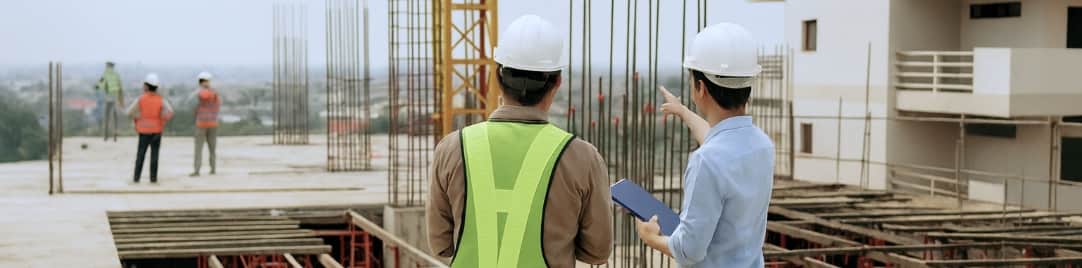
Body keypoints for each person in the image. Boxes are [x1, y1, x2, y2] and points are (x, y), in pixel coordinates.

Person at [427, 14, 612, 268]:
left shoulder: (451, 148)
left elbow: (440, 244)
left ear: (497, 76)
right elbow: (597, 251)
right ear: (557, 81)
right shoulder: (582, 157)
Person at [634, 22, 775, 268]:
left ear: (700, 87)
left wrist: (651, 237)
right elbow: (721, 140)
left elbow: (690, 250)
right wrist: (684, 112)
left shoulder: (706, 161)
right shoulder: (762, 145)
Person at [126, 73, 174, 184]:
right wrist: (162, 120)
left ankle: (136, 178)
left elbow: (129, 112)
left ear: (146, 86)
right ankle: (153, 179)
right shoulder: (161, 100)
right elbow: (170, 111)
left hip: (143, 131)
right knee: (154, 156)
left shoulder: (141, 99)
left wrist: (137, 119)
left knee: (141, 155)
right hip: (157, 131)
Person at [189, 71, 220, 177]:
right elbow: (218, 105)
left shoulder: (197, 93)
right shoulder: (215, 93)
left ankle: (197, 170)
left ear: (199, 81)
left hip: (201, 123)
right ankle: (213, 169)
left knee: (198, 149)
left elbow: (192, 105)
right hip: (213, 123)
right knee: (212, 148)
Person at [96, 61, 125, 142]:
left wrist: (96, 87)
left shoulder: (105, 74)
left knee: (107, 116)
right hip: (115, 98)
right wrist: (121, 100)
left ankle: (106, 135)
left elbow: (100, 84)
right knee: (115, 117)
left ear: (107, 66)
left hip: (108, 98)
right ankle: (115, 133)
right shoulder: (116, 75)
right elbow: (121, 87)